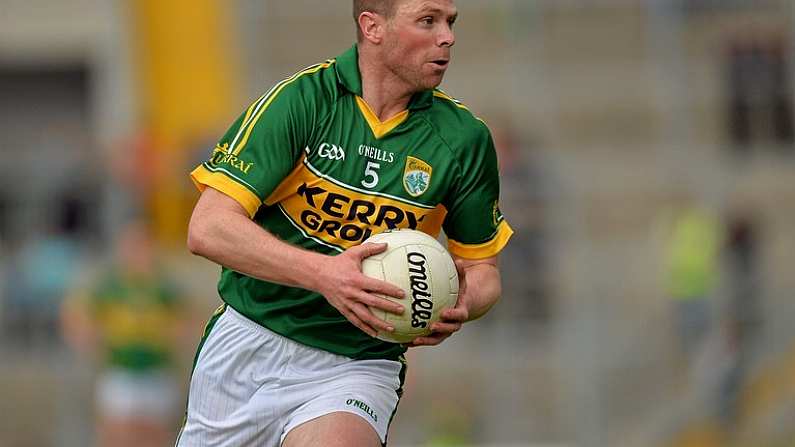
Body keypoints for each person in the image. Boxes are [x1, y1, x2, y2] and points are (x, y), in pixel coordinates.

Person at [177, 1, 513, 445]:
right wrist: (325, 275)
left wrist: (463, 304)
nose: (447, 36)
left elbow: (484, 270)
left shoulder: (464, 139)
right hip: (251, 340)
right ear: (372, 27)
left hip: (357, 361)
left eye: (450, 22)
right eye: (428, 21)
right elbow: (208, 228)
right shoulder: (302, 101)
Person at [61, 221, 187, 447]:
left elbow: (185, 317)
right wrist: (86, 336)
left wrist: (169, 334)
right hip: (121, 369)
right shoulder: (111, 285)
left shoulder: (162, 285)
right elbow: (77, 312)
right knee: (117, 434)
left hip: (156, 370)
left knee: (154, 435)